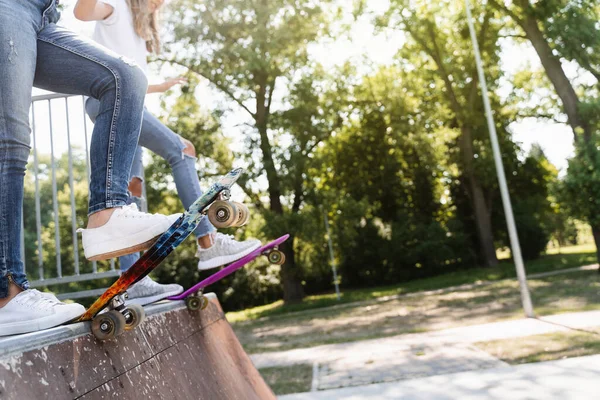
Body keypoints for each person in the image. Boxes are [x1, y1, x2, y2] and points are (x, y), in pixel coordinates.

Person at [0, 0, 180, 336]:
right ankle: (6, 293)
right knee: (10, 140)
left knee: (125, 77)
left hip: (42, 15)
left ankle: (106, 214)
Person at [76, 0, 261, 306]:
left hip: (127, 104)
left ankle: (133, 281)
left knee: (129, 193)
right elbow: (82, 13)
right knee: (182, 150)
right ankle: (208, 242)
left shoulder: (137, 32)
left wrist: (159, 87)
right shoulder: (115, 8)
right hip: (113, 101)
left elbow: (133, 79)